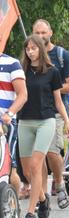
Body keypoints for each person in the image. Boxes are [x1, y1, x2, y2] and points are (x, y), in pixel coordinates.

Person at [18, 35, 69, 218]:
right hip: (24, 121)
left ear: (41, 50)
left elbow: (58, 102)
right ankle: (43, 200)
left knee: (35, 166)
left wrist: (67, 123)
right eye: (28, 49)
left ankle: (30, 212)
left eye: (34, 48)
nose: (30, 51)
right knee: (26, 171)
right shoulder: (21, 71)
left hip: (46, 121)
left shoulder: (52, 71)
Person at [32, 19, 69, 208]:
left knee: (51, 151)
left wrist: (50, 88)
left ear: (50, 32)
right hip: (35, 111)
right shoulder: (31, 55)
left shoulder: (61, 55)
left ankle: (59, 184)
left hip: (57, 110)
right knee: (38, 154)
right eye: (37, 33)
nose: (41, 36)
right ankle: (42, 194)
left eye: (44, 33)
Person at [0, 45, 27, 198]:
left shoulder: (12, 63)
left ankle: (13, 204)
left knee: (10, 168)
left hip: (5, 124)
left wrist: (9, 114)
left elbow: (23, 95)